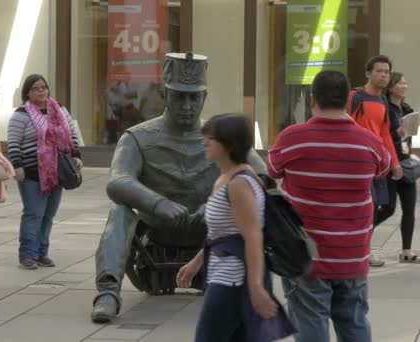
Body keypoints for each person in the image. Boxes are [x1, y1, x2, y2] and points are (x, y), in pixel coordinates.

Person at [90, 52, 267, 323]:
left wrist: (218, 204)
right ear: (164, 94)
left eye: (193, 97)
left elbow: (262, 178)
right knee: (119, 213)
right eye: (179, 96)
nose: (187, 105)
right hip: (156, 235)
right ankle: (107, 291)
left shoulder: (224, 137)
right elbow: (118, 181)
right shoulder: (137, 137)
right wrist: (158, 203)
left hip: (206, 239)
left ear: (204, 97)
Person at [268, 70, 392, 342]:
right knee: (355, 323)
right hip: (353, 256)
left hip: (306, 256)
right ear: (347, 102)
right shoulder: (369, 142)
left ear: (313, 99)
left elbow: (271, 170)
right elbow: (383, 167)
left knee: (310, 322)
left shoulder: (293, 138)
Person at [176, 114, 294, 342]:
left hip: (232, 280)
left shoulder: (239, 183)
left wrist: (256, 287)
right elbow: (222, 233)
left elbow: (252, 237)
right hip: (223, 274)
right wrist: (195, 263)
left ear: (229, 144)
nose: (204, 142)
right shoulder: (226, 178)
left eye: (210, 138)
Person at [7, 74, 82, 270]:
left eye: (43, 87)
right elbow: (13, 143)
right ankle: (27, 255)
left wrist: (76, 155)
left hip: (57, 172)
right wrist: (17, 166)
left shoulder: (59, 109)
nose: (40, 91)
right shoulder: (21, 114)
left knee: (48, 215)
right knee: (34, 214)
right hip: (32, 174)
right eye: (35, 88)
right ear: (27, 93)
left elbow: (71, 134)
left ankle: (42, 253)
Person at [347, 55, 403, 267]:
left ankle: (362, 247)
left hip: (377, 164)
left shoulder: (382, 101)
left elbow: (385, 134)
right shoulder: (356, 96)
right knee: (365, 207)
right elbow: (345, 122)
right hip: (357, 163)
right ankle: (361, 250)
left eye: (386, 72)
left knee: (379, 206)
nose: (383, 75)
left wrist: (394, 162)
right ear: (368, 73)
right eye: (379, 71)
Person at [373, 72, 418, 262]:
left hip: (406, 162)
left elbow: (410, 136)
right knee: (388, 208)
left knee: (409, 208)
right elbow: (382, 134)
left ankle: (406, 251)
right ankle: (361, 237)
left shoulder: (407, 108)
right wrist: (395, 132)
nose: (404, 85)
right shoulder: (384, 107)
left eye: (405, 82)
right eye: (400, 82)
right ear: (391, 87)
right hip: (390, 164)